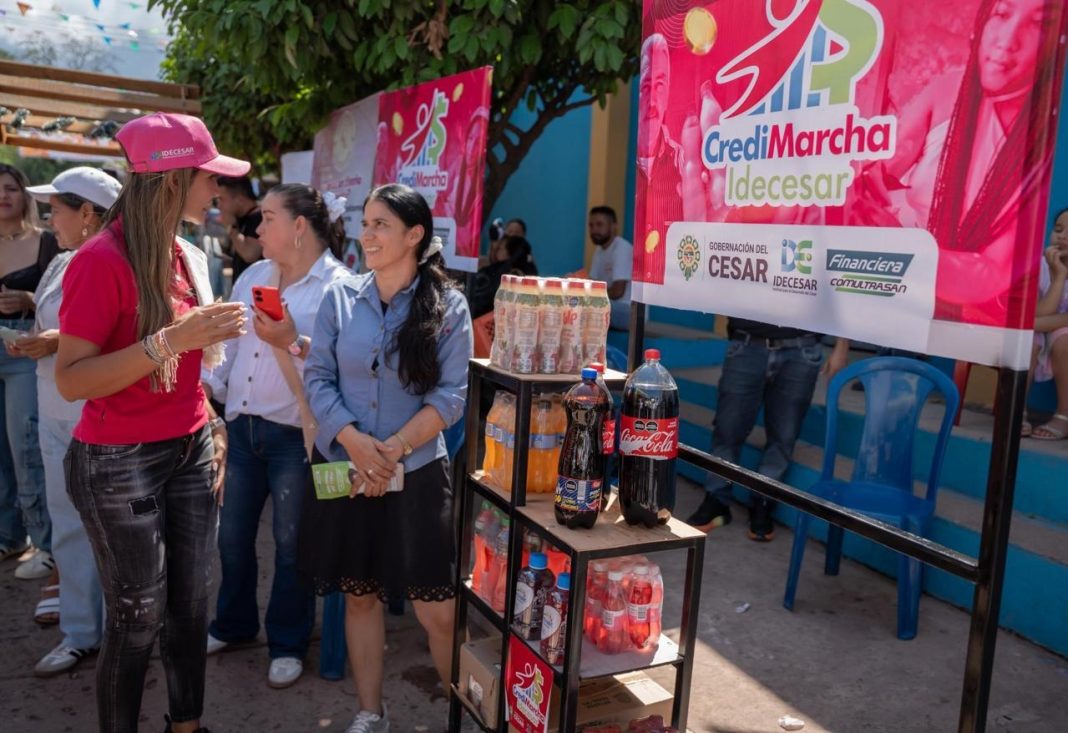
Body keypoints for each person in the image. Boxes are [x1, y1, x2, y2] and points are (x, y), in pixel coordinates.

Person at [55, 112, 249, 733]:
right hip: (118, 460)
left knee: (190, 604)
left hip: (187, 445)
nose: (215, 189)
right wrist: (172, 341)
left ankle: (186, 726)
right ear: (171, 180)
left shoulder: (182, 254)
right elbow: (73, 379)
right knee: (138, 616)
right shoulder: (100, 260)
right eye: (207, 177)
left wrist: (210, 423)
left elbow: (191, 365)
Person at [301, 183, 472, 732]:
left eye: (380, 225)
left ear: (414, 235)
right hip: (344, 467)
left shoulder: (448, 305)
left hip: (417, 470)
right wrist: (354, 442)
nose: (366, 235)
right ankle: (370, 712)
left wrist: (393, 450)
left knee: (438, 610)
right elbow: (319, 378)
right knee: (358, 595)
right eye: (365, 222)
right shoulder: (339, 296)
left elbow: (450, 397)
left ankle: (458, 714)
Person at [202, 184, 351, 688]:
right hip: (242, 429)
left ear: (300, 227)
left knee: (291, 545)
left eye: (267, 218)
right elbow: (232, 348)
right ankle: (234, 624)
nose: (257, 229)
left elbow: (346, 369)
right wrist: (212, 397)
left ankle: (286, 642)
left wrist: (295, 341)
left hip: (297, 437)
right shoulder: (253, 275)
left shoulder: (339, 287)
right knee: (232, 538)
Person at [852, 0, 1060, 326]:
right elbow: (881, 169)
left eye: (1039, 24)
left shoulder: (1036, 150)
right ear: (983, 21)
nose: (1009, 39)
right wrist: (864, 197)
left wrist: (900, 247)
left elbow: (987, 276)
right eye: (1003, 14)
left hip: (944, 301)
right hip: (894, 279)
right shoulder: (948, 89)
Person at [15, 167, 122, 672]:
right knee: (68, 526)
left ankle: (126, 636)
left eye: (57, 208)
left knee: (112, 532)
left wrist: (57, 341)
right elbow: (55, 320)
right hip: (56, 412)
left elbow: (128, 335)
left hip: (100, 417)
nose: (48, 217)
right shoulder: (59, 262)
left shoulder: (119, 261)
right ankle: (81, 632)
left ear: (87, 214)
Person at [687, 318, 849, 541]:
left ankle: (763, 501)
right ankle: (716, 498)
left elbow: (838, 288)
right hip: (747, 341)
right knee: (728, 428)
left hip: (802, 347)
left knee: (785, 434)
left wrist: (842, 346)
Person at [0, 162, 58, 576]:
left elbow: (63, 298)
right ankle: (8, 537)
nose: (3, 196)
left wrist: (27, 299)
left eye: (10, 188)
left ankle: (46, 544)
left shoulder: (48, 242)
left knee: (25, 448)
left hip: (25, 345)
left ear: (25, 195)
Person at [1028, 208, 1068, 439]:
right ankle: (1017, 410)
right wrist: (1059, 276)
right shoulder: (1038, 267)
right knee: (1026, 341)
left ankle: (1064, 415)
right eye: (1059, 229)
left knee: (1063, 337)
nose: (1061, 237)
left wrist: (1032, 323)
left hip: (1060, 339)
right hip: (1040, 333)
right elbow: (1036, 311)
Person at [468, 234, 537, 319]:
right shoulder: (532, 277)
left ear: (508, 253)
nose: (498, 251)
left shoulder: (496, 272)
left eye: (501, 248)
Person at [587, 206, 633, 330]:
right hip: (608, 305)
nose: (594, 230)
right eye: (591, 225)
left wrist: (587, 296)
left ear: (613, 227)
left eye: (599, 225)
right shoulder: (599, 250)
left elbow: (618, 292)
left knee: (586, 307)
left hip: (628, 311)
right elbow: (592, 284)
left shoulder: (622, 248)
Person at [217, 175, 263, 283]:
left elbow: (250, 254)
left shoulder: (258, 217)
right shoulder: (241, 219)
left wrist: (231, 227)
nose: (219, 206)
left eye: (222, 199)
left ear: (240, 200)